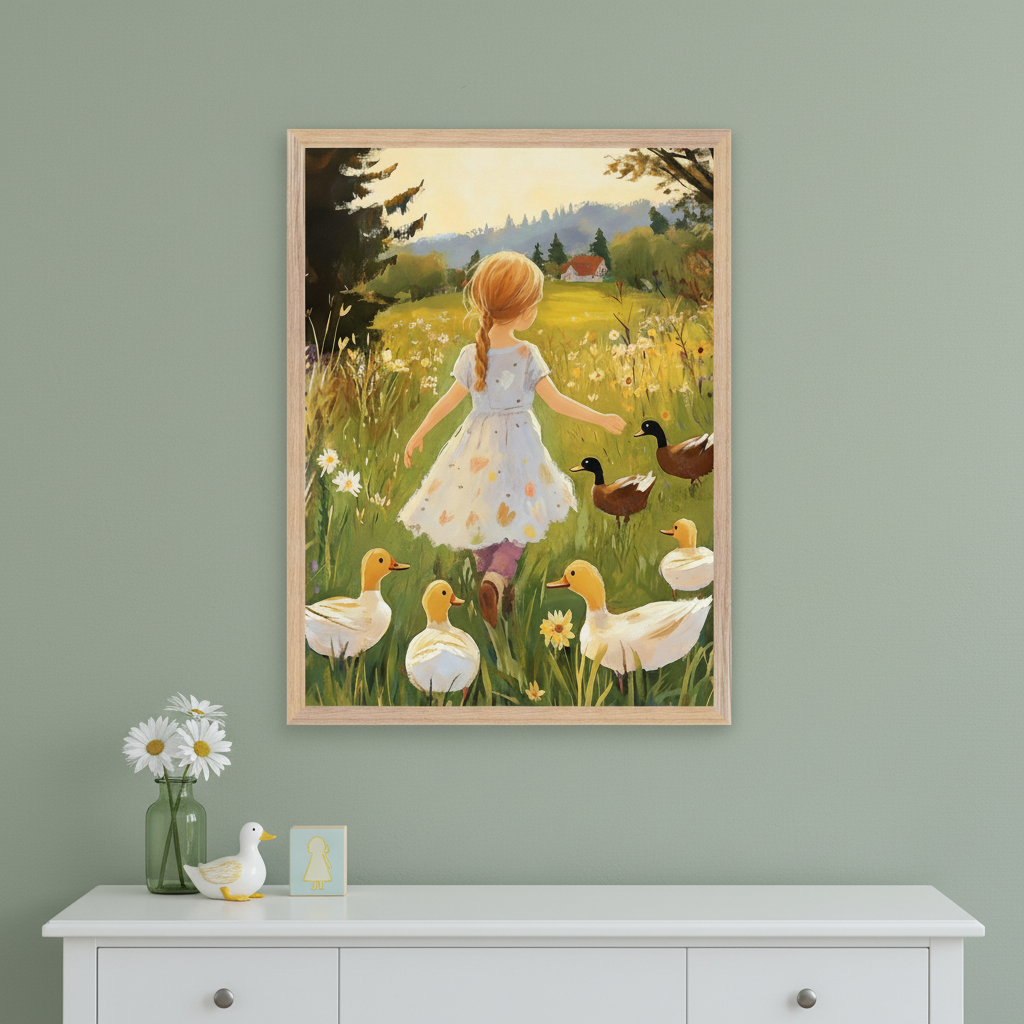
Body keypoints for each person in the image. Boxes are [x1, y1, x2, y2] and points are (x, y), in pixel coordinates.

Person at [400, 251, 625, 626]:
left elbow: (447, 404)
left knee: (479, 510)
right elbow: (557, 403)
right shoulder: (526, 353)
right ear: (523, 310)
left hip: (476, 448)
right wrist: (599, 417)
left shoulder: (472, 354)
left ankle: (490, 582)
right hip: (520, 450)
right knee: (521, 515)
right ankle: (498, 580)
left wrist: (419, 434)